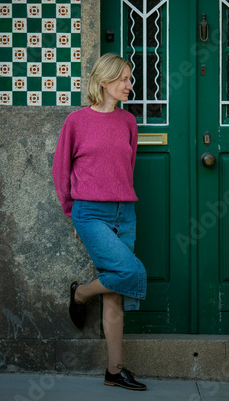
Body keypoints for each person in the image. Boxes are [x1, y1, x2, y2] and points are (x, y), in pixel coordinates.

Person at [52, 53, 147, 391]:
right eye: (124, 79)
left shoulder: (128, 122)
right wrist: (71, 213)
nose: (129, 85)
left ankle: (114, 370)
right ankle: (79, 295)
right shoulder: (76, 122)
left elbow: (128, 166)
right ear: (104, 81)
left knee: (116, 291)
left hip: (125, 212)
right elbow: (61, 172)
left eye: (130, 79)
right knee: (130, 273)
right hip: (90, 212)